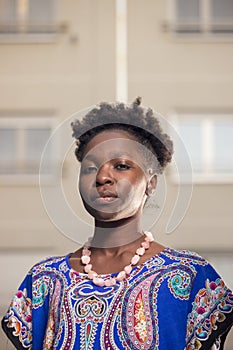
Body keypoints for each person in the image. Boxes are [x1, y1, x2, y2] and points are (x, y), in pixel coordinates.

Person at [2, 98, 233, 349]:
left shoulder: (190, 276)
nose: (102, 177)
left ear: (151, 183)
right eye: (90, 168)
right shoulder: (43, 280)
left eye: (121, 166)